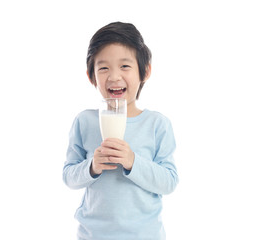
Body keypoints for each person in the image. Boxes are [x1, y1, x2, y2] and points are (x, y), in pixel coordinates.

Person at [63, 22, 178, 240]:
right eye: (104, 68)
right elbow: (69, 176)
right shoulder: (85, 121)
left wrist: (133, 161)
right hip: (93, 235)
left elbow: (169, 181)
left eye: (125, 66)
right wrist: (92, 167)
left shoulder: (156, 124)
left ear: (145, 71)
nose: (114, 76)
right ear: (91, 76)